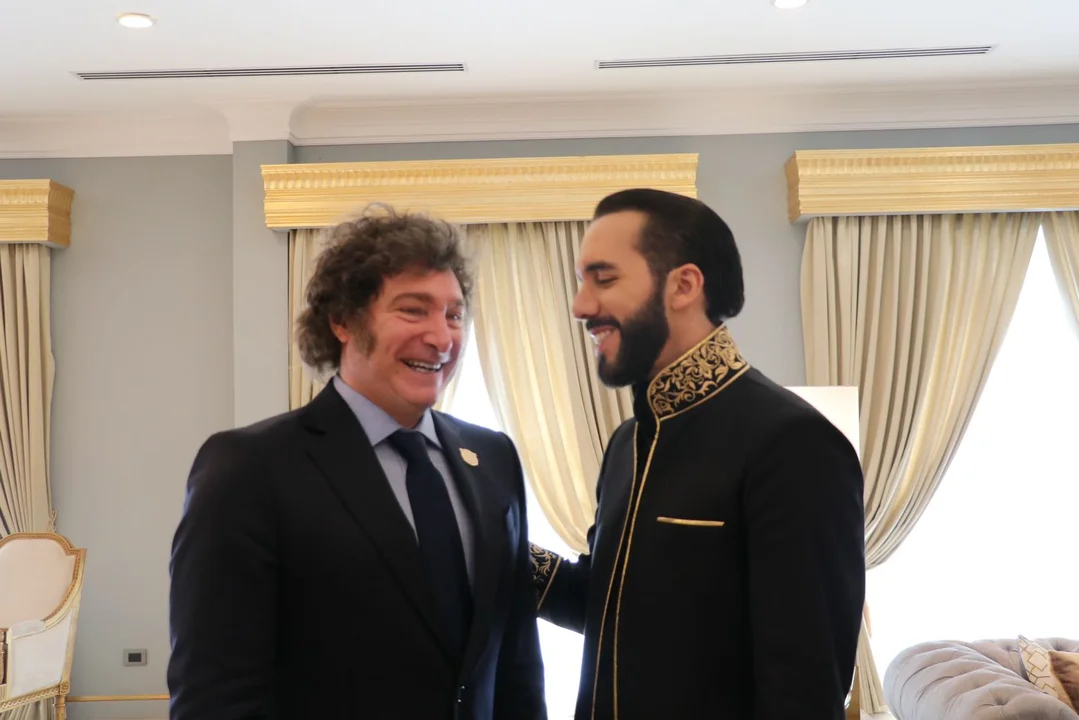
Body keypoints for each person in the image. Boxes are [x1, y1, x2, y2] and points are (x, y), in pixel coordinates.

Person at [167, 206, 547, 720]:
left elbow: (518, 668)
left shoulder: (494, 459)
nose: (442, 337)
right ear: (343, 321)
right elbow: (215, 697)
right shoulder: (249, 468)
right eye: (413, 310)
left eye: (454, 315)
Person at [529, 189, 865, 719]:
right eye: (581, 281)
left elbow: (804, 692)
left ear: (684, 285)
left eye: (604, 279)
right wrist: (490, 541)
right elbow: (607, 605)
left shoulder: (794, 444)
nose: (581, 306)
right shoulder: (627, 443)